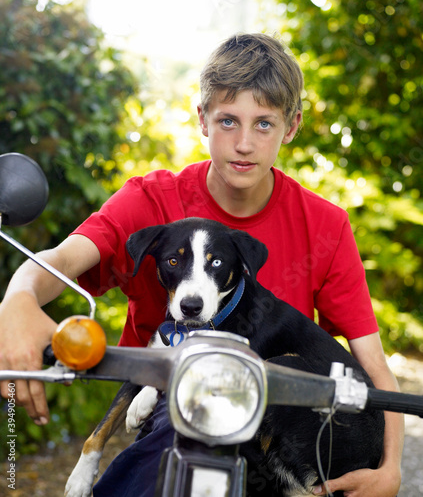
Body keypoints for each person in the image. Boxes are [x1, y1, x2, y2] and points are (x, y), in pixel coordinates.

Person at [0, 33, 402, 496]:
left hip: (272, 429)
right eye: (228, 120)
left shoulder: (326, 225)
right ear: (202, 120)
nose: (245, 144)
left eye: (264, 124)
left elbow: (373, 366)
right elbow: (61, 260)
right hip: (171, 418)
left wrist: (391, 470)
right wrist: (19, 297)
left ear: (291, 127)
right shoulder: (150, 201)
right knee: (182, 425)